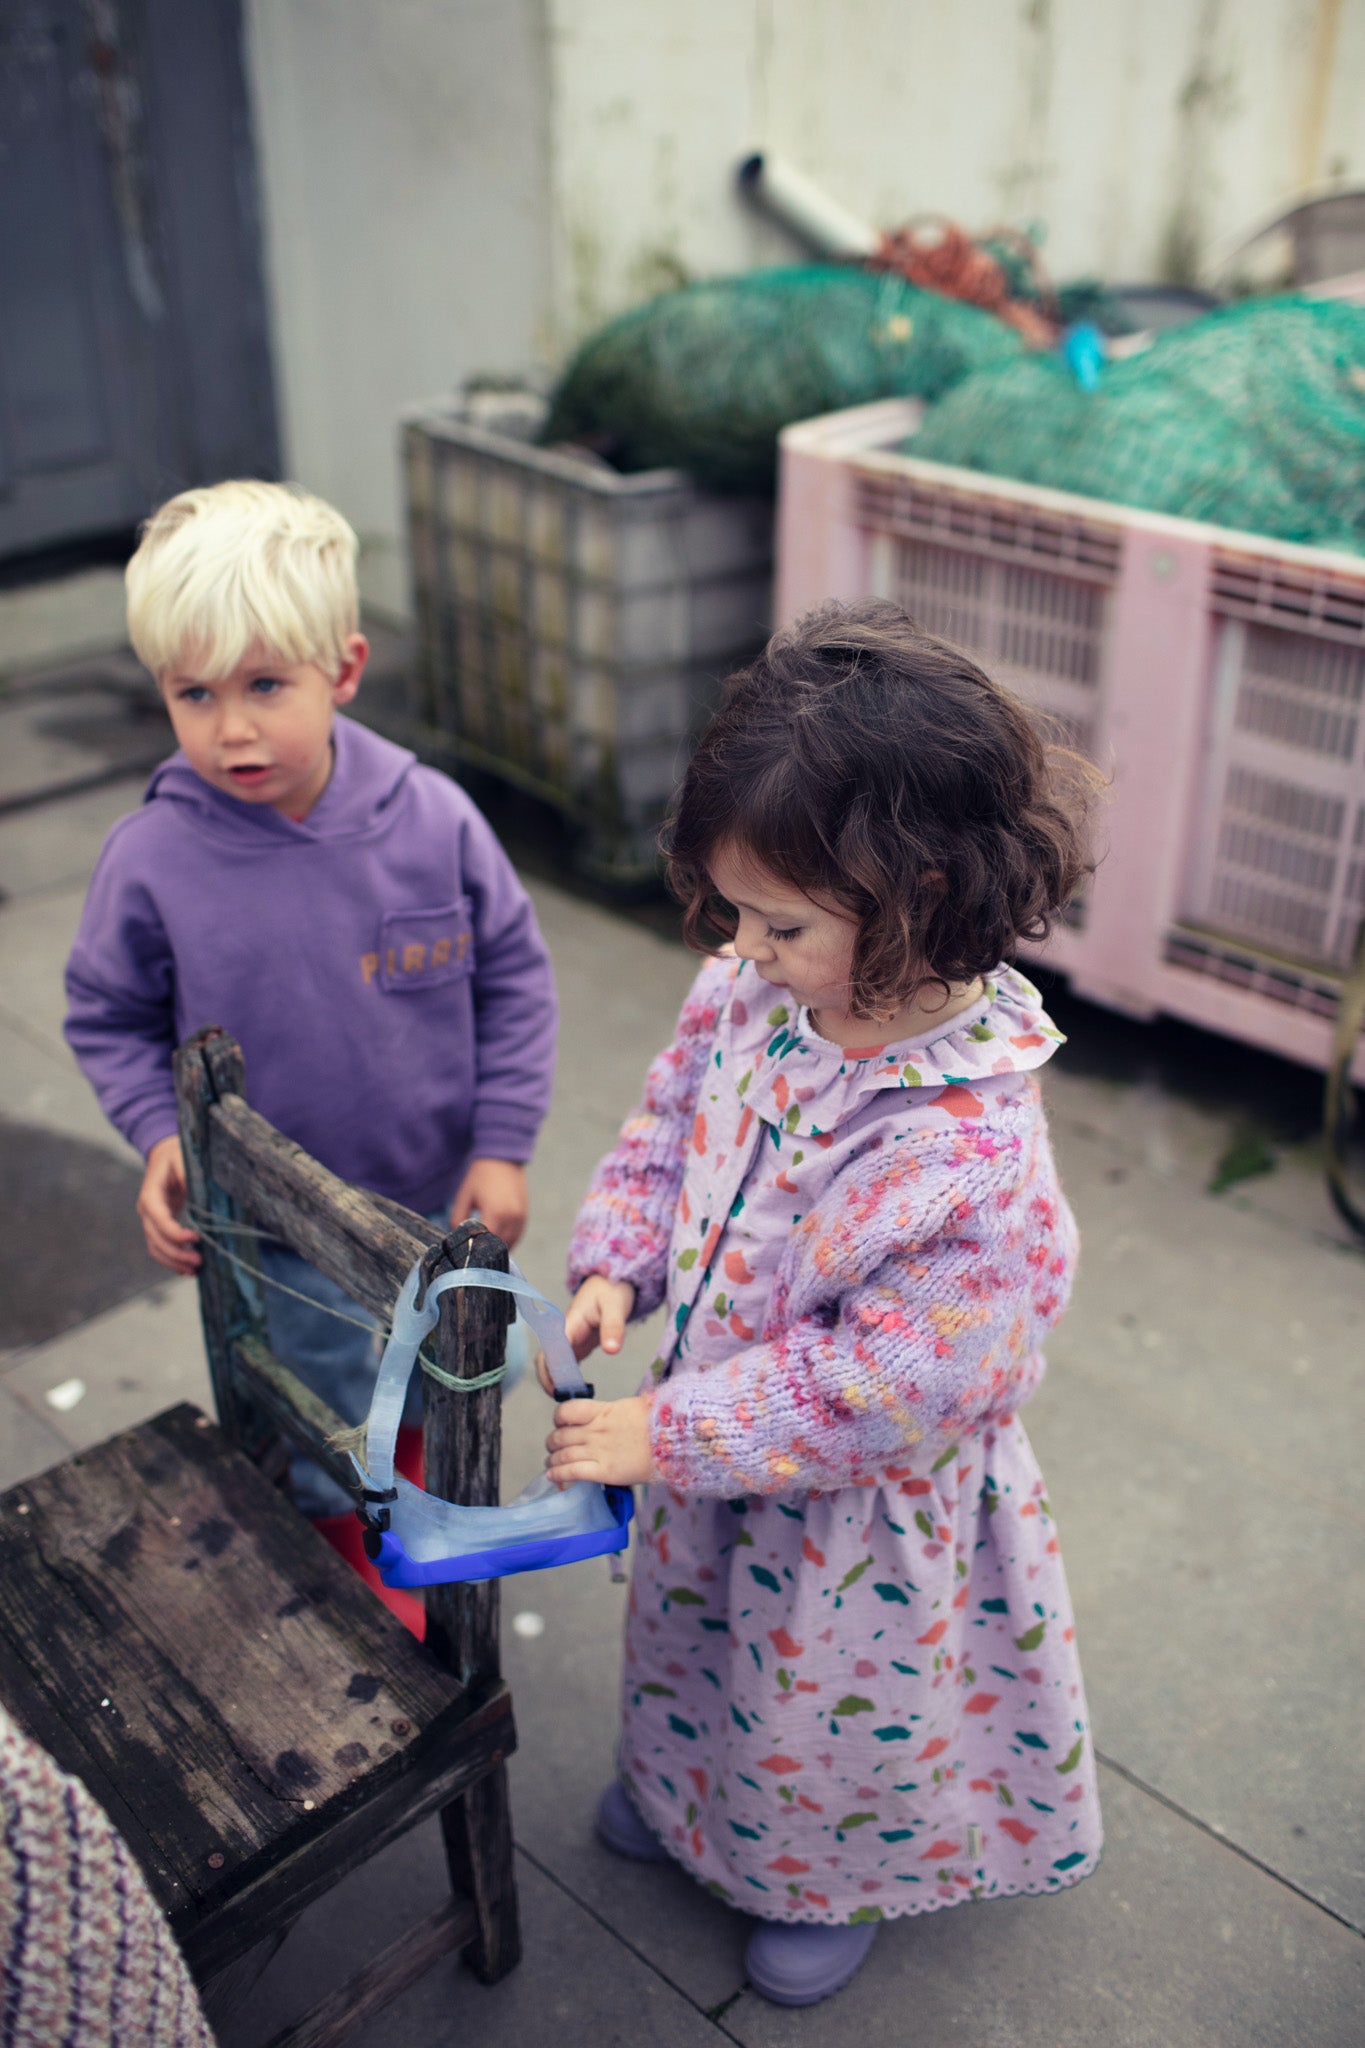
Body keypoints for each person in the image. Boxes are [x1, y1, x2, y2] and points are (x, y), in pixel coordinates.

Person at [543, 600, 1104, 2007]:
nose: (740, 945)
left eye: (778, 920)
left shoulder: (962, 1146)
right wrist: (619, 1259)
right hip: (715, 1450)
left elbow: (880, 1389)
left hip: (854, 1508)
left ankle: (822, 1874)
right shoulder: (754, 993)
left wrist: (660, 1433)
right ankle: (685, 1806)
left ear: (918, 895)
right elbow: (668, 1125)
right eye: (732, 909)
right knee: (692, 1644)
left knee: (814, 1704)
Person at [65, 481, 556, 1517]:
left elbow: (513, 975)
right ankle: (352, 1575)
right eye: (193, 694)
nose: (231, 729)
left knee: (453, 1391)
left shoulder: (434, 819)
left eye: (265, 685)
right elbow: (106, 1013)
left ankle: (429, 1532)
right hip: (277, 1235)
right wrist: (161, 1135)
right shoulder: (151, 859)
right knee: (324, 1430)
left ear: (344, 669)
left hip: (438, 1207)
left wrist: (503, 1143)